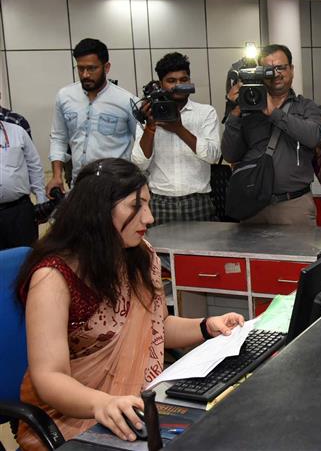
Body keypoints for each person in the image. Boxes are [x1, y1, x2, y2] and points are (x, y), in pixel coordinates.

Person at [14, 158, 244, 449]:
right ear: (98, 210)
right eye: (136, 205)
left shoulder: (138, 255)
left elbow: (156, 326)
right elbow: (49, 377)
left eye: (147, 205)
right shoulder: (53, 278)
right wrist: (103, 403)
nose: (148, 217)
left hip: (132, 406)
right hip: (70, 419)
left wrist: (206, 326)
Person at [222, 44, 321, 226]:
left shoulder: (306, 106)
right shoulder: (247, 110)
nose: (276, 74)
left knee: (298, 254)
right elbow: (230, 154)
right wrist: (235, 111)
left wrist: (273, 112)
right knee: (252, 255)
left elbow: (314, 137)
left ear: (291, 70)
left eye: (281, 68)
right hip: (253, 206)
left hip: (294, 205)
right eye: (268, 70)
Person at [131, 52, 221, 226]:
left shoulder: (205, 113)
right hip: (159, 202)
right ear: (161, 84)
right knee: (159, 252)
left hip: (198, 200)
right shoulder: (149, 114)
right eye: (171, 81)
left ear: (189, 81)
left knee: (200, 252)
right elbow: (139, 164)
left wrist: (179, 129)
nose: (178, 85)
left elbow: (213, 156)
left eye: (183, 80)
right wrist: (150, 127)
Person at [47, 38, 138, 196]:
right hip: (80, 185)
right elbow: (59, 138)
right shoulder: (65, 96)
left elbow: (142, 144)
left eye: (92, 68)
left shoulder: (126, 101)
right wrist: (56, 175)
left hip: (116, 187)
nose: (85, 75)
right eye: (80, 69)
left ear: (106, 67)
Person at [0, 120, 45, 249]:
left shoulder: (17, 131)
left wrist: (41, 201)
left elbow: (34, 166)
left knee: (26, 260)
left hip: (20, 211)